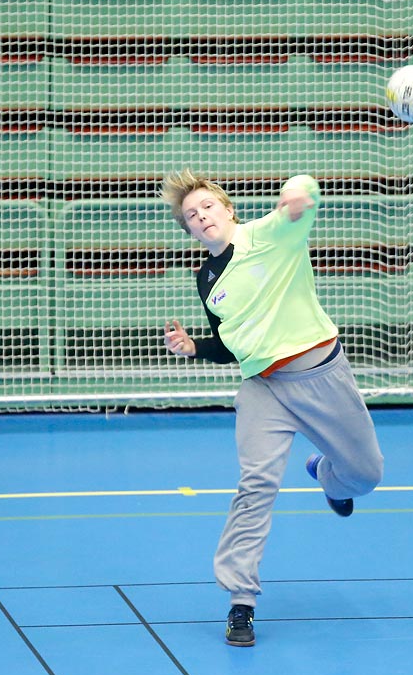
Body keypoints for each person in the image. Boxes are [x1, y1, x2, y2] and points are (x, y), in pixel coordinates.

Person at [161, 169, 383, 647]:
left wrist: (298, 193)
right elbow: (228, 340)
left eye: (207, 207)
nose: (201, 217)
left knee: (365, 476)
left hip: (321, 373)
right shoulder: (206, 277)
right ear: (190, 230)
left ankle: (326, 472)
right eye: (191, 216)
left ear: (227, 208)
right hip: (263, 388)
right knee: (256, 484)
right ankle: (241, 603)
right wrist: (195, 347)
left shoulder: (271, 233)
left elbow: (303, 191)